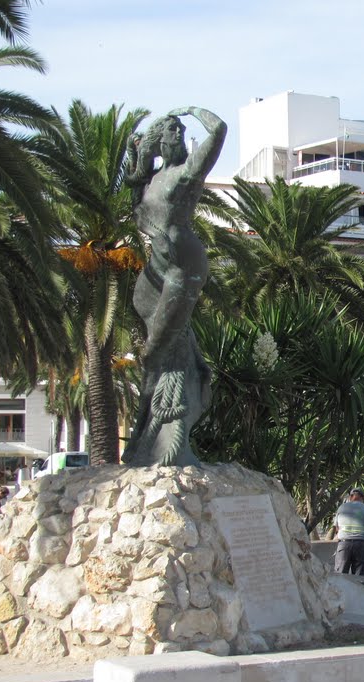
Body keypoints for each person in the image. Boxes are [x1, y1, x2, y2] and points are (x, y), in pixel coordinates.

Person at [121, 106, 227, 467]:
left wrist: (193, 110)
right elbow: (138, 210)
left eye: (182, 132)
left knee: (157, 350)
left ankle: (169, 435)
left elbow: (218, 131)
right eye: (171, 132)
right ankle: (147, 438)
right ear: (158, 141)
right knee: (161, 350)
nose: (178, 136)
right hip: (158, 268)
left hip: (185, 268)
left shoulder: (186, 174)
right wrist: (136, 158)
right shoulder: (151, 182)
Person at [331, 488, 364, 575]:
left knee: (341, 574)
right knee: (360, 576)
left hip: (344, 544)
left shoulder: (341, 508)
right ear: (363, 498)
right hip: (361, 545)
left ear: (350, 497)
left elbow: (337, 528)